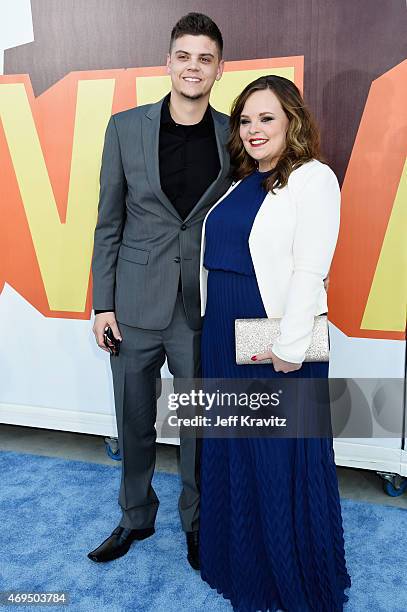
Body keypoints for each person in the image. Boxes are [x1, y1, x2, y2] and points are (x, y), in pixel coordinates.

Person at [198, 75, 351, 611]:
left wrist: (288, 346)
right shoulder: (242, 180)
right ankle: (238, 565)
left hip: (275, 329)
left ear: (292, 121)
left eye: (267, 118)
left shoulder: (314, 178)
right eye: (246, 120)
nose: (255, 129)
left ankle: (287, 576)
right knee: (234, 449)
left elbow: (311, 269)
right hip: (223, 329)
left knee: (278, 455)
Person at [88, 13, 232, 569]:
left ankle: (197, 524)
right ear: (167, 62)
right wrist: (102, 302)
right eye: (183, 56)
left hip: (199, 306)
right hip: (132, 304)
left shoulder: (234, 136)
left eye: (205, 58)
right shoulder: (125, 128)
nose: (192, 66)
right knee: (133, 420)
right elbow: (108, 222)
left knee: (197, 425)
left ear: (220, 69)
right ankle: (134, 518)